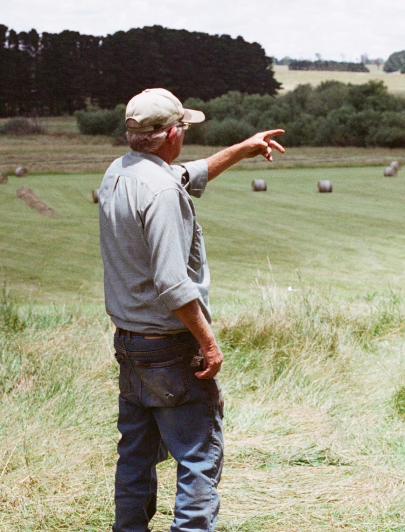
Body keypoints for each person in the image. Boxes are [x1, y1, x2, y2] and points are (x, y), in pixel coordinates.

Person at [98, 87, 285, 532]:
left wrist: (243, 149)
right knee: (199, 459)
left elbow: (188, 174)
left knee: (135, 457)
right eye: (182, 126)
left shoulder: (119, 172)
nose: (185, 133)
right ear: (170, 134)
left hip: (130, 343)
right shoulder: (161, 191)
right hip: (168, 347)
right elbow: (172, 283)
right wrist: (208, 342)